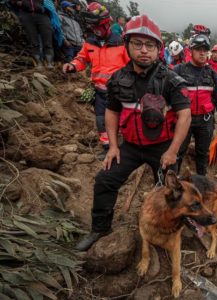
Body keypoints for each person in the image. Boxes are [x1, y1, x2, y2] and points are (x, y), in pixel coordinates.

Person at [74, 15, 191, 251]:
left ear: (159, 49)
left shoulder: (170, 80)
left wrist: (173, 152)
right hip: (130, 146)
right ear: (127, 45)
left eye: (150, 45)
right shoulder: (118, 79)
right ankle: (100, 228)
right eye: (137, 44)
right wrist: (114, 147)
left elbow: (185, 116)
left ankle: (169, 229)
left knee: (172, 191)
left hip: (161, 147)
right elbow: (111, 112)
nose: (144, 50)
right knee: (105, 179)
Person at [62, 2, 129, 159]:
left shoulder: (121, 43)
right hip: (100, 91)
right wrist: (72, 66)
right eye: (93, 27)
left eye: (98, 27)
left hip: (119, 91)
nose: (95, 30)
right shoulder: (90, 43)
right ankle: (107, 147)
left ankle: (127, 146)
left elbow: (131, 66)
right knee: (101, 121)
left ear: (107, 24)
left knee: (125, 119)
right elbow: (82, 59)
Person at [173, 34, 217, 176]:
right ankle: (173, 184)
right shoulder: (179, 70)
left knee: (202, 154)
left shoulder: (212, 74)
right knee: (178, 151)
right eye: (198, 49)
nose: (202, 52)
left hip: (205, 121)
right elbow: (167, 92)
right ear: (191, 51)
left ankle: (201, 183)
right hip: (185, 120)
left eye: (205, 49)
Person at [10, 0, 54, 69]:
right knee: (33, 41)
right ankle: (38, 63)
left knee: (47, 40)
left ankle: (49, 63)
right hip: (26, 15)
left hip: (42, 14)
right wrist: (17, 2)